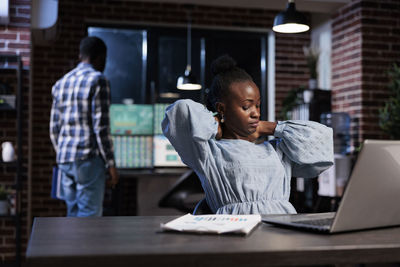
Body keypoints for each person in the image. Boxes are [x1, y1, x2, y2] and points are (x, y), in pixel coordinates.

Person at [162, 55, 334, 215]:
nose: (256, 114)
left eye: (257, 106)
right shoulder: (208, 152)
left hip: (283, 231)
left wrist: (271, 128)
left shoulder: (276, 151)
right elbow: (179, 112)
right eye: (247, 106)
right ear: (222, 108)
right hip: (234, 233)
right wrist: (216, 124)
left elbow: (323, 141)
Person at [50, 36, 118, 217]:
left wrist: (63, 153)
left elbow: (54, 128)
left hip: (65, 159)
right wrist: (111, 164)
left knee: (72, 215)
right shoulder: (98, 80)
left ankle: (70, 247)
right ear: (101, 57)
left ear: (81, 55)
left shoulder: (60, 83)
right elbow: (101, 128)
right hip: (88, 159)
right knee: (89, 218)